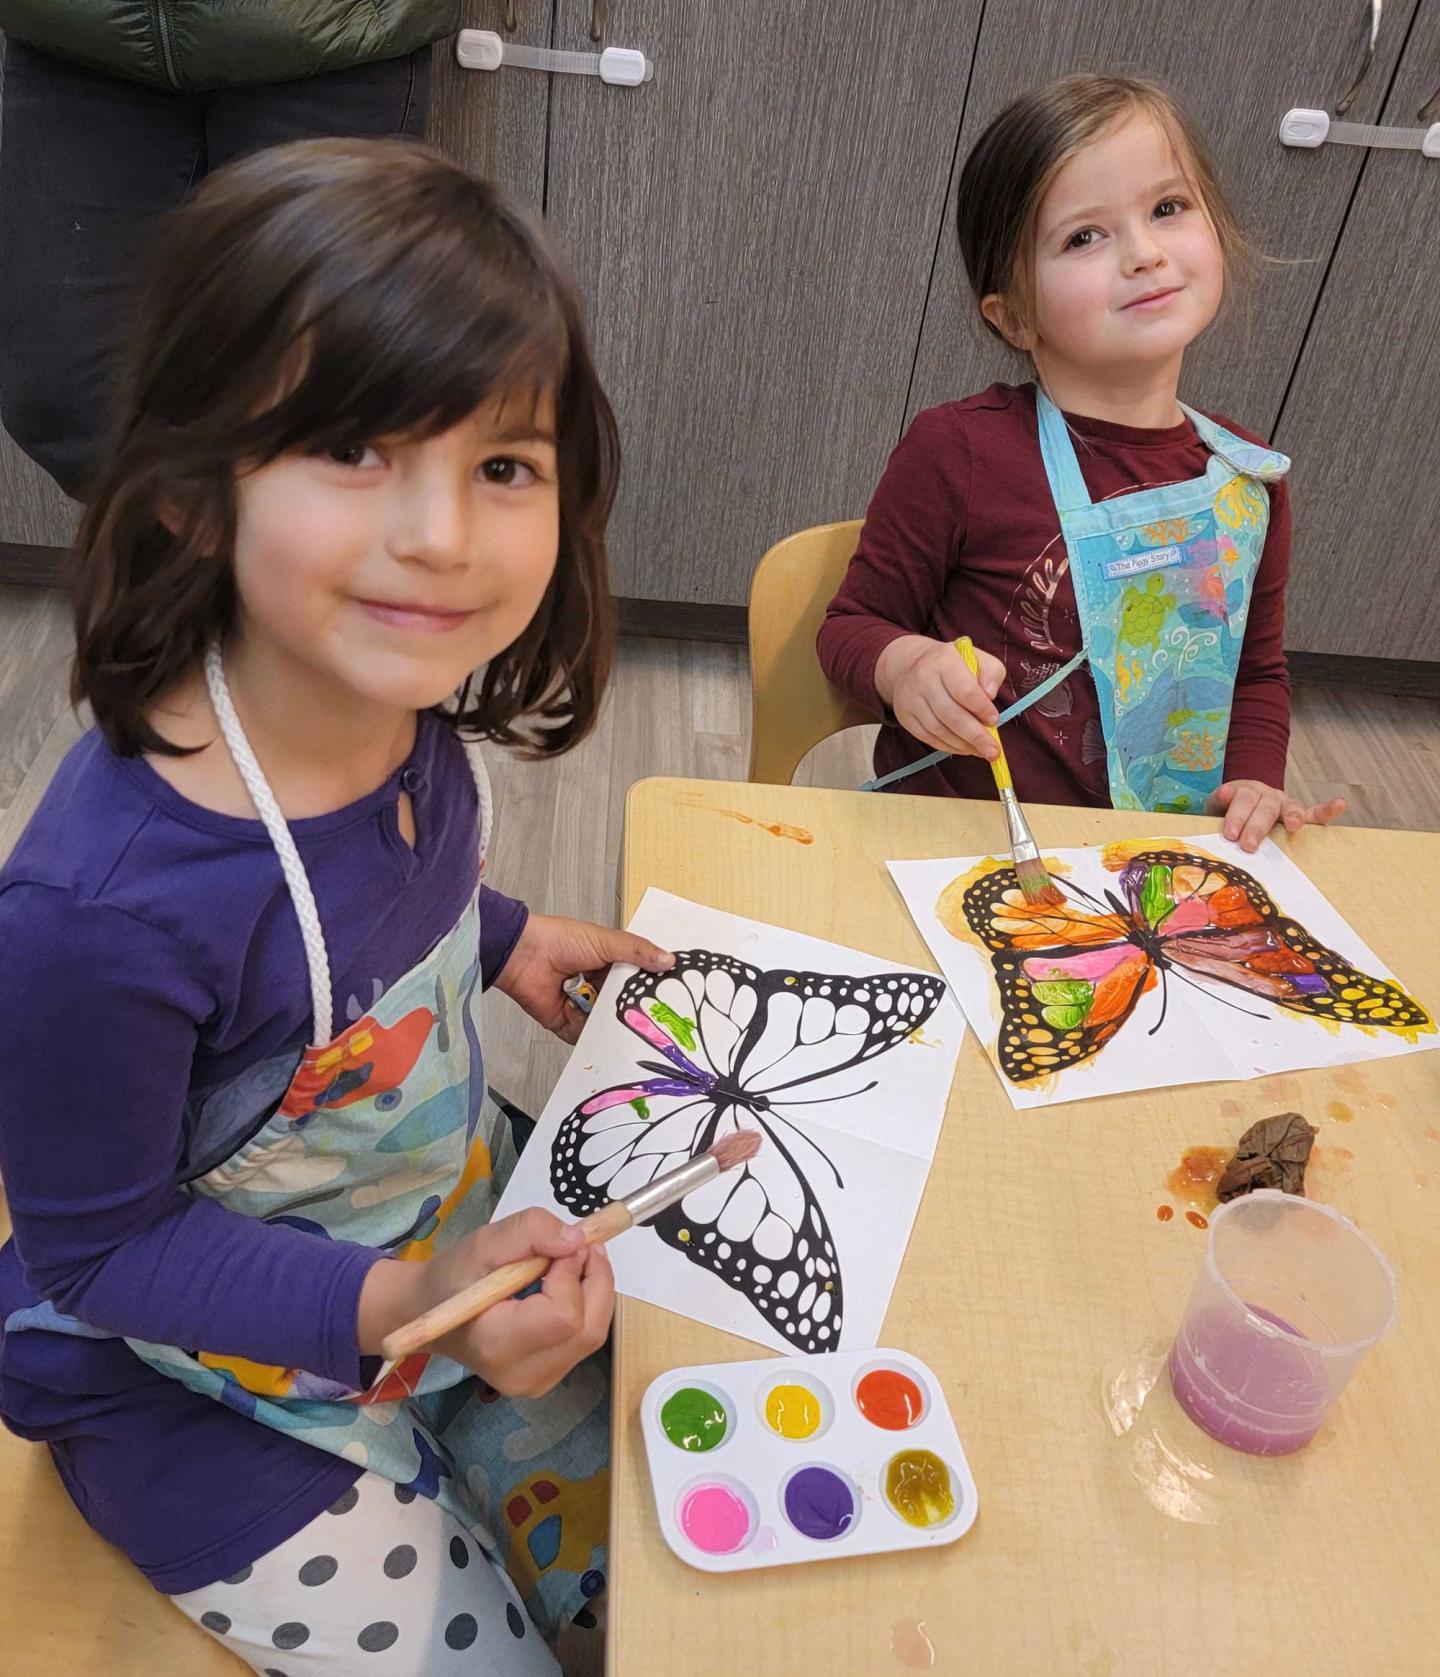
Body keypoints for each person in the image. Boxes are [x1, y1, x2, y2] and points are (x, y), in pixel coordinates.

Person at [0, 138, 670, 1675]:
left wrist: (507, 939)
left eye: (501, 465)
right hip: (183, 1385)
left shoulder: (406, 718)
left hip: (435, 1230)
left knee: (660, 1561)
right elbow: (98, 1258)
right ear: (185, 493)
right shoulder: (96, 913)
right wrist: (410, 1300)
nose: (440, 532)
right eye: (354, 449)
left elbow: (395, 908)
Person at [818, 74, 1345, 852]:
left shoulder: (1246, 480)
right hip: (962, 843)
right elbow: (849, 627)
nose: (1145, 254)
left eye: (1168, 208)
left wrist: (1255, 781)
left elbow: (1256, 674)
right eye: (1083, 237)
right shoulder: (959, 452)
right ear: (1015, 316)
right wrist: (904, 668)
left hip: (1153, 858)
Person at [0, 1, 457, 498]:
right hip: (82, 30)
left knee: (313, 395)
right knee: (72, 403)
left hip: (329, 31)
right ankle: (189, 566)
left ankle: (257, 568)